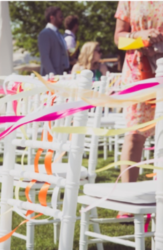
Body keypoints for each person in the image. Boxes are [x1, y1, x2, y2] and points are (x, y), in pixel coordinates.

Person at [114, 0, 163, 218]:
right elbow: (118, 40)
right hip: (138, 71)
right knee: (135, 134)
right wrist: (139, 36)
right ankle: (128, 201)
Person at [38, 6, 69, 76]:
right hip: (51, 78)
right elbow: (45, 57)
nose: (62, 18)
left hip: (62, 76)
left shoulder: (58, 34)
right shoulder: (45, 33)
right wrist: (53, 76)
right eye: (60, 16)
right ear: (52, 18)